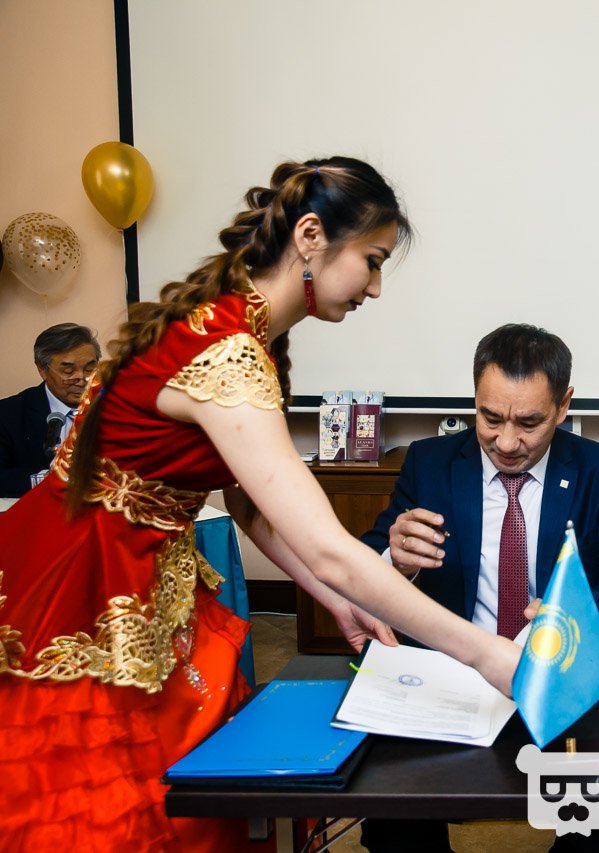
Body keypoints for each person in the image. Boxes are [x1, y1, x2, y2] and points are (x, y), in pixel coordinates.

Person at [0, 157, 520, 852]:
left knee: (191, 785)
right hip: (82, 583)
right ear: (310, 236)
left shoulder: (238, 332)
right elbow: (329, 547)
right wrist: (485, 654)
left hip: (138, 571)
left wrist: (333, 598)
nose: (375, 286)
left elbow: (248, 507)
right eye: (371, 261)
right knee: (105, 804)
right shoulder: (228, 352)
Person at [359, 322, 599, 853]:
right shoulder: (430, 463)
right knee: (391, 809)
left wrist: (569, 615)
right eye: (490, 418)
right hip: (450, 672)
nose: (507, 442)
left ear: (563, 406)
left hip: (559, 671)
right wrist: (393, 559)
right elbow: (369, 560)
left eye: (529, 422)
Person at [0, 322, 100, 496]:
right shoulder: (8, 414)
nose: (82, 379)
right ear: (42, 370)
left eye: (90, 369)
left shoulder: (118, 407)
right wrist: (50, 480)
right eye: (68, 371)